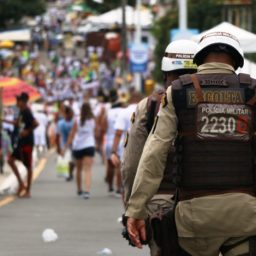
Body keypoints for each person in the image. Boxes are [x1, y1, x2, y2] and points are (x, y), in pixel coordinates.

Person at [125, 31, 256, 256]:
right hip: (246, 216)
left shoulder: (177, 93)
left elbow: (153, 154)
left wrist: (135, 209)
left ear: (200, 59)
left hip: (194, 218)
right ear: (237, 61)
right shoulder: (252, 92)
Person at [122, 39, 197, 256]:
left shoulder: (150, 106)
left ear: (166, 74)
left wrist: (132, 210)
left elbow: (131, 165)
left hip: (160, 207)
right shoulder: (217, 103)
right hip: (209, 204)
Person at [7, 92, 38, 198]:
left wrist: (27, 131)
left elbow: (35, 124)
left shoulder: (27, 111)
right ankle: (21, 184)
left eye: (18, 101)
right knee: (10, 160)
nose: (16, 103)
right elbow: (18, 123)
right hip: (21, 142)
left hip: (27, 142)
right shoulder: (21, 112)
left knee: (28, 166)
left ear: (22, 102)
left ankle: (28, 190)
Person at [65, 102, 96, 199]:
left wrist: (67, 145)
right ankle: (87, 191)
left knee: (78, 169)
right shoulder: (92, 120)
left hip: (78, 147)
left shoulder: (77, 120)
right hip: (89, 145)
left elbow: (72, 133)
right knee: (88, 170)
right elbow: (95, 132)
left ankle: (79, 189)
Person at [56, 105, 74, 181]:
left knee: (73, 161)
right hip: (63, 144)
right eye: (70, 113)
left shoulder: (74, 122)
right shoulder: (60, 123)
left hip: (74, 145)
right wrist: (58, 147)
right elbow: (57, 135)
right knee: (68, 160)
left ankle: (70, 173)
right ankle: (69, 174)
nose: (72, 115)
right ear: (66, 114)